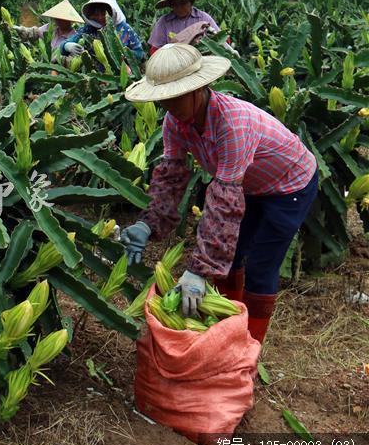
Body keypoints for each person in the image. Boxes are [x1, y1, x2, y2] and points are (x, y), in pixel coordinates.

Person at [121, 44, 318, 344]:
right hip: (251, 186)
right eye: (163, 100)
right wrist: (148, 222)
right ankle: (227, 327)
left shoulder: (232, 123)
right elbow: (172, 175)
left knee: (262, 265)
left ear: (199, 89)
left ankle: (248, 346)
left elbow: (224, 201)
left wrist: (199, 269)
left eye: (176, 96)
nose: (169, 106)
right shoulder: (175, 122)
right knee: (233, 255)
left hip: (290, 185)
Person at [61, 0, 146, 61]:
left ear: (113, 11)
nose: (100, 18)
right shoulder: (88, 29)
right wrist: (67, 46)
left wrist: (125, 54)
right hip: (94, 75)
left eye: (104, 14)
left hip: (123, 74)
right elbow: (63, 45)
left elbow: (140, 53)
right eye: (96, 14)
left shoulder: (125, 29)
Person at [148, 0, 222, 54]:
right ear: (170, 5)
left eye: (183, 3)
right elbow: (155, 49)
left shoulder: (203, 18)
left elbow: (222, 39)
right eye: (175, 4)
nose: (179, 8)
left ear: (191, 1)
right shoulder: (164, 22)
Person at [13, 0, 84, 50]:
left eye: (62, 19)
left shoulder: (74, 37)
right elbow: (35, 32)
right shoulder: (50, 28)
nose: (58, 21)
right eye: (57, 17)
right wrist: (22, 30)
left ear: (70, 21)